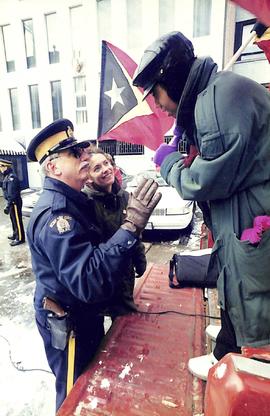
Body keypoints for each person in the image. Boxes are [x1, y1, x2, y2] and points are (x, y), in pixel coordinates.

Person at [133, 31, 270, 380]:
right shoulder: (214, 95)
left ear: (171, 79)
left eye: (156, 94)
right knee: (232, 278)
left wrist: (168, 162)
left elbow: (204, 181)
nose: (157, 105)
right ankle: (232, 338)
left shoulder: (218, 99)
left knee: (248, 285)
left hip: (250, 210)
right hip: (241, 209)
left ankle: (239, 355)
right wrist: (189, 130)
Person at [26, 118, 161, 411]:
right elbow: (88, 280)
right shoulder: (57, 216)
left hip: (85, 314)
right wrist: (130, 227)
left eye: (82, 150)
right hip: (70, 320)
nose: (85, 155)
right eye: (75, 154)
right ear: (53, 167)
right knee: (76, 395)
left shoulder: (75, 201)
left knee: (92, 384)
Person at [83, 147, 146, 317]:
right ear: (88, 179)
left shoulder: (125, 196)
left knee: (126, 323)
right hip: (105, 278)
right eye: (97, 168)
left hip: (126, 275)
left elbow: (135, 233)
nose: (105, 169)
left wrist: (140, 260)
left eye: (106, 163)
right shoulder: (86, 204)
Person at [0, 158, 25, 246]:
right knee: (13, 219)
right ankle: (15, 234)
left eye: (1, 166)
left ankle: (20, 238)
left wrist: (8, 205)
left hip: (14, 203)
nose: (0, 168)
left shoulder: (12, 177)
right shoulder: (6, 176)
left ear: (6, 167)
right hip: (11, 202)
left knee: (17, 220)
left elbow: (12, 193)